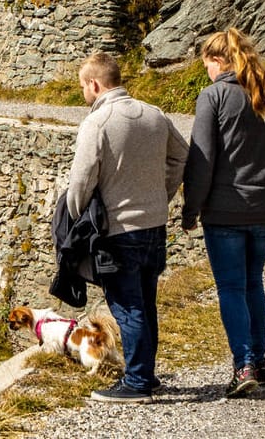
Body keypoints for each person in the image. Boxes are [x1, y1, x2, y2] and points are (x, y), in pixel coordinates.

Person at [65, 51, 187, 403]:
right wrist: (163, 193)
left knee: (127, 306)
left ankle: (136, 383)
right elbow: (182, 155)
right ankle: (147, 375)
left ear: (94, 84)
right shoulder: (155, 114)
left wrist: (77, 216)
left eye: (83, 88)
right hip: (154, 224)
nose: (83, 95)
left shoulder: (98, 122)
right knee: (146, 303)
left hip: (118, 229)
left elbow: (82, 179)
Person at [182, 28, 265, 399]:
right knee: (253, 282)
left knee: (230, 286)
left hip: (226, 210)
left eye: (207, 64)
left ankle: (243, 365)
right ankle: (258, 361)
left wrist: (190, 209)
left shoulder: (213, 97)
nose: (207, 72)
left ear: (217, 61)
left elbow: (202, 161)